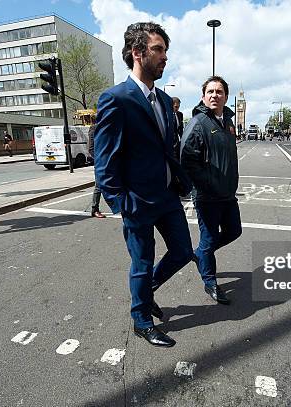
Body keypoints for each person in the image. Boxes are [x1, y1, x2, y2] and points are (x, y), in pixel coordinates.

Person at [93, 22, 193, 348]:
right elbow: (104, 159)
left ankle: (145, 292)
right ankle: (141, 320)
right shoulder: (115, 99)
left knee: (182, 252)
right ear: (138, 52)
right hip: (137, 200)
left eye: (165, 50)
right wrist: (121, 203)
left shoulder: (164, 100)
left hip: (166, 196)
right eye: (158, 50)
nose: (165, 57)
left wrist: (182, 181)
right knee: (142, 262)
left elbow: (169, 147)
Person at [180, 76, 242, 305]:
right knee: (208, 239)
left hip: (227, 193)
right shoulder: (198, 123)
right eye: (211, 92)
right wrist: (207, 184)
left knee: (234, 231)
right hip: (207, 195)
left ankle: (200, 256)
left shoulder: (227, 122)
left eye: (219, 92)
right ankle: (210, 282)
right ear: (203, 96)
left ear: (226, 96)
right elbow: (187, 160)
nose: (215, 95)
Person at [87, 125, 106, 218]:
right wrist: (100, 160)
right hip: (100, 162)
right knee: (99, 186)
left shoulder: (107, 126)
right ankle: (94, 209)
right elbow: (91, 149)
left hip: (110, 161)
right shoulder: (94, 129)